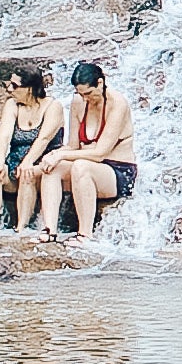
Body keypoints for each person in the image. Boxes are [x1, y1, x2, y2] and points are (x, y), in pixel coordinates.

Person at [25, 59, 140, 237]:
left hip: (118, 171)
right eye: (81, 94)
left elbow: (100, 154)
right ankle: (49, 230)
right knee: (52, 167)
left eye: (89, 93)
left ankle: (84, 234)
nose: (86, 98)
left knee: (80, 166)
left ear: (100, 83)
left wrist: (60, 156)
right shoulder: (79, 101)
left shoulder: (118, 104)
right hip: (88, 165)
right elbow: (72, 145)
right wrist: (53, 156)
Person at [0, 70, 58, 237]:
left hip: (41, 168)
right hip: (14, 165)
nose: (9, 89)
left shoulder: (52, 106)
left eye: (15, 86)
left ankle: (21, 229)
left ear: (30, 89)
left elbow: (44, 139)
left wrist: (28, 162)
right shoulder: (12, 105)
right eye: (9, 84)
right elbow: (4, 136)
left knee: (27, 173)